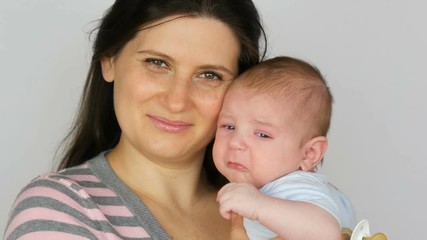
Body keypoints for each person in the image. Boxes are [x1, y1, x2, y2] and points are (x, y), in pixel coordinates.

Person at [3, 0, 267, 239]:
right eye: (157, 63)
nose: (177, 101)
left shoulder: (277, 209)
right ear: (109, 61)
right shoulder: (57, 209)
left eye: (210, 75)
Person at [213, 56, 356, 240]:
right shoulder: (265, 188)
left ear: (309, 154)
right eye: (229, 126)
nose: (235, 142)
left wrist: (259, 206)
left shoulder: (296, 188)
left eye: (263, 134)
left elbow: (327, 235)